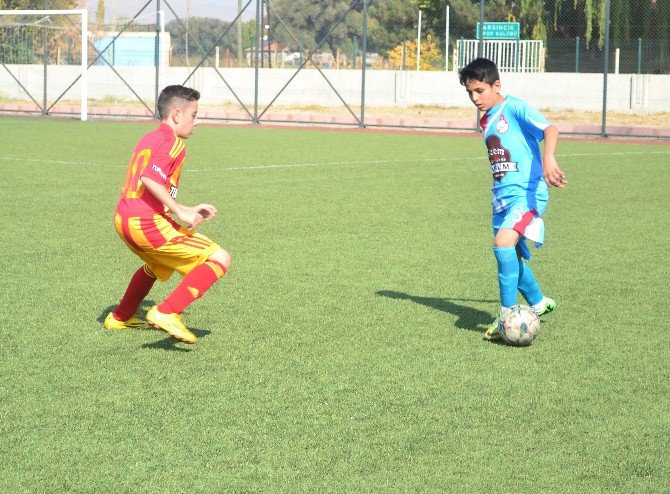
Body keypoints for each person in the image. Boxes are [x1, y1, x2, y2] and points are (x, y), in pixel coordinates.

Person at [103, 85, 231, 344]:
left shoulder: (149, 137)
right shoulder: (173, 143)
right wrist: (180, 212)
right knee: (219, 257)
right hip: (145, 222)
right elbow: (150, 178)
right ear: (176, 115)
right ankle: (167, 311)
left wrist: (184, 208)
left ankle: (119, 317)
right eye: (194, 115)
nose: (197, 122)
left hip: (123, 218)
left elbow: (149, 182)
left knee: (156, 264)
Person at [458, 58, 567, 341]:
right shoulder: (486, 119)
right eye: (470, 93)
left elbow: (549, 128)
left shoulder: (514, 107)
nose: (475, 97)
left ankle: (507, 314)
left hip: (527, 193)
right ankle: (539, 302)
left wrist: (549, 157)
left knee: (503, 243)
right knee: (511, 257)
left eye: (480, 90)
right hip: (502, 198)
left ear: (496, 85)